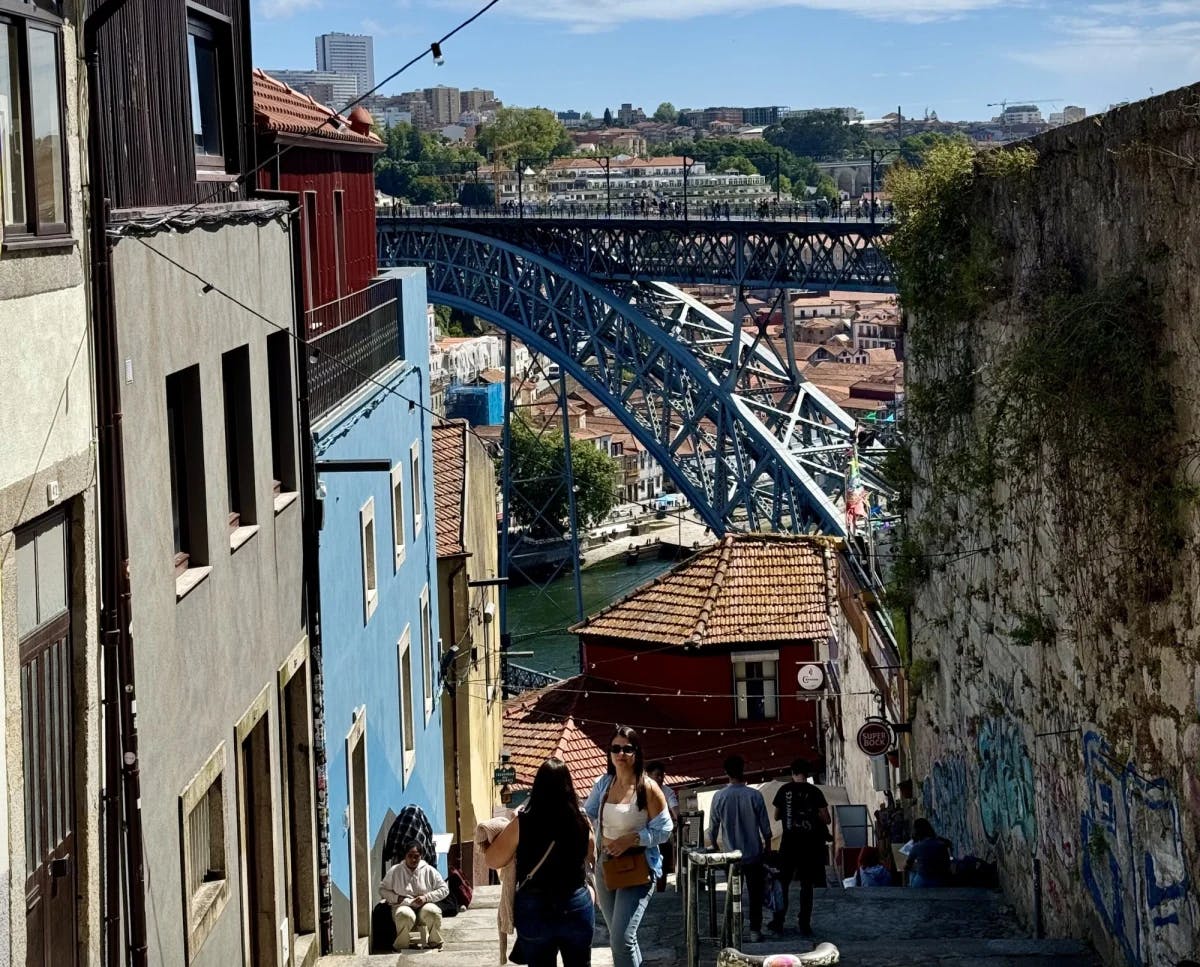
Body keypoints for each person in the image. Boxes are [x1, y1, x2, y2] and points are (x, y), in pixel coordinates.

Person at [485, 758, 595, 966]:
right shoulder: (581, 820)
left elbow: (492, 860)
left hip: (535, 906)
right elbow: (592, 856)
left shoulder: (523, 822)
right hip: (575, 902)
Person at [585, 726, 673, 967]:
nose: (620, 754)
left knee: (622, 938)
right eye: (615, 748)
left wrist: (633, 839)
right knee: (619, 939)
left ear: (636, 753)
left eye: (627, 749)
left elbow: (665, 831)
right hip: (606, 867)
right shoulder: (604, 783)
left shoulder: (648, 788)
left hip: (639, 868)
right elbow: (587, 813)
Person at [708, 755, 772, 943]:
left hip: (730, 855)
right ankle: (755, 931)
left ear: (726, 772)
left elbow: (712, 828)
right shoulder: (755, 795)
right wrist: (767, 849)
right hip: (753, 854)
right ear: (743, 770)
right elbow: (766, 828)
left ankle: (733, 929)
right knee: (755, 895)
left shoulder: (719, 796)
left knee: (732, 894)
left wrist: (715, 848)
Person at [769, 759, 830, 937]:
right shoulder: (815, 791)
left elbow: (776, 815)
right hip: (809, 846)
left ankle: (778, 921)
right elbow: (826, 818)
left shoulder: (784, 790)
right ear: (808, 773)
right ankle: (804, 923)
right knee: (807, 886)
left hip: (788, 844)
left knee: (783, 884)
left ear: (792, 772)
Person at [379, 842, 448, 950]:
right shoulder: (395, 871)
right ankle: (402, 945)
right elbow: (382, 890)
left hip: (423, 908)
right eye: (410, 856)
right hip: (402, 905)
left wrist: (426, 897)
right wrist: (398, 898)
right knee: (404, 914)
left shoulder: (429, 870)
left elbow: (444, 889)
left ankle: (435, 942)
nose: (413, 860)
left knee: (433, 912)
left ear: (421, 856)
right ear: (405, 856)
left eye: (416, 856)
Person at [645, 761, 678, 892]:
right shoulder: (639, 791)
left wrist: (677, 818)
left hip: (661, 836)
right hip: (645, 835)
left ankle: (660, 891)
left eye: (662, 775)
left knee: (662, 867)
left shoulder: (667, 791)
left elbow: (675, 809)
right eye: (657, 775)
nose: (660, 778)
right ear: (648, 775)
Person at [905, 818, 953, 888]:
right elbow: (947, 864)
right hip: (939, 881)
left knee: (912, 872)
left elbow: (908, 865)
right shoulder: (941, 844)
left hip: (921, 882)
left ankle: (910, 888)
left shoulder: (917, 846)